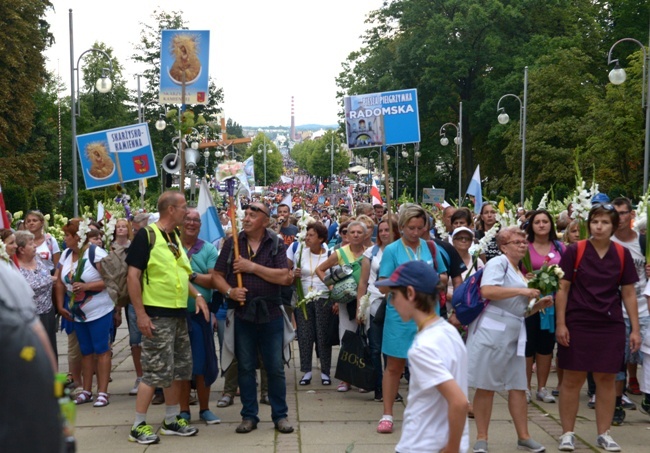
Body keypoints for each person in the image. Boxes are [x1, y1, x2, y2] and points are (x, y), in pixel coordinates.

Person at [126, 191, 209, 444]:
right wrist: (140, 314)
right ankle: (138, 425)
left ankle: (171, 420)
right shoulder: (147, 235)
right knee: (154, 372)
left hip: (177, 315)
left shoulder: (173, 237)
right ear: (171, 210)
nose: (188, 212)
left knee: (177, 370)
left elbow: (183, 274)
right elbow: (132, 277)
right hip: (157, 316)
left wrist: (198, 296)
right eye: (184, 207)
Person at [555, 204, 640, 452]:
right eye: (595, 222)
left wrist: (635, 329)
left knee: (607, 379)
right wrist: (561, 323)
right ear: (588, 224)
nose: (599, 226)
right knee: (573, 378)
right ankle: (567, 433)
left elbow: (628, 293)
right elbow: (563, 288)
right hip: (578, 322)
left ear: (613, 226)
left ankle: (604, 433)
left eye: (604, 222)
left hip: (610, 324)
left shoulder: (622, 254)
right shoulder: (575, 250)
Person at [212, 202, 294, 435]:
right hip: (242, 314)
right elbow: (217, 275)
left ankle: (280, 415)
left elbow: (285, 277)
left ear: (265, 221)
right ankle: (249, 415)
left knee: (275, 367)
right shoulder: (232, 243)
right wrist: (229, 291)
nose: (246, 218)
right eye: (245, 214)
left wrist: (251, 267)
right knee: (246, 367)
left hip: (271, 314)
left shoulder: (275, 243)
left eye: (252, 215)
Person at [468, 226, 551, 453]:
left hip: (514, 333)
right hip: (492, 332)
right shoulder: (498, 263)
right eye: (517, 242)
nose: (523, 245)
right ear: (503, 247)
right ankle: (482, 438)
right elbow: (488, 291)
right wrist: (523, 292)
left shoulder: (518, 270)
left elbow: (518, 311)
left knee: (518, 386)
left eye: (524, 241)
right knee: (486, 385)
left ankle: (524, 436)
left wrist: (538, 306)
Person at [375, 260, 469, 453]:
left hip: (422, 445)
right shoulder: (448, 331)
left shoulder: (422, 347)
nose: (391, 302)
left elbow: (459, 402)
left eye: (394, 295)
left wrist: (451, 449)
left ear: (410, 293)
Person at [375, 204, 448, 434]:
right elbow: (383, 285)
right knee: (395, 366)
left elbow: (444, 276)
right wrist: (405, 285)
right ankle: (387, 414)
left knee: (426, 365)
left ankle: (425, 413)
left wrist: (434, 281)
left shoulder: (431, 247)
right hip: (400, 316)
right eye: (411, 228)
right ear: (402, 226)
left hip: (427, 314)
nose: (416, 233)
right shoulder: (392, 250)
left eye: (420, 227)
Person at [55, 218, 113, 407]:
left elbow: (110, 280)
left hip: (99, 311)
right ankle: (87, 391)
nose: (64, 239)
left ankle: (102, 392)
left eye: (67, 235)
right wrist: (60, 305)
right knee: (85, 351)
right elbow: (59, 282)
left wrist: (88, 285)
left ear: (77, 237)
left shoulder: (95, 253)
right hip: (77, 313)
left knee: (102, 350)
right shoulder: (65, 254)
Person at [316, 220, 369, 393]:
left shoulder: (370, 252)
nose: (355, 235)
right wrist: (333, 288)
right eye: (351, 232)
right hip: (347, 302)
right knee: (346, 338)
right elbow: (320, 269)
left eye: (358, 232)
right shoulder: (340, 253)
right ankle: (346, 379)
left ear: (365, 234)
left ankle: (362, 378)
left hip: (367, 300)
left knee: (366, 338)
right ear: (345, 235)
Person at [178, 208, 220, 425]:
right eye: (188, 219)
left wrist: (191, 275)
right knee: (182, 366)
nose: (192, 223)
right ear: (180, 221)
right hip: (175, 315)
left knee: (203, 364)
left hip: (200, 316)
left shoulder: (209, 249)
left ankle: (204, 409)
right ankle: (184, 410)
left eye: (196, 220)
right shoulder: (171, 247)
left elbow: (213, 280)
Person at [610, 197, 648, 421]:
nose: (619, 218)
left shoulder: (643, 242)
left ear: (632, 215)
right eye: (615, 214)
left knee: (647, 357)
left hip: (644, 308)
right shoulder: (608, 241)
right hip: (615, 310)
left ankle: (648, 396)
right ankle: (616, 403)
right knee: (617, 360)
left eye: (623, 213)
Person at [522, 210, 565, 405]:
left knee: (546, 346)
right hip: (530, 304)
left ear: (551, 225)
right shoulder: (525, 246)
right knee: (527, 346)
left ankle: (542, 387)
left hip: (553, 303)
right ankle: (525, 387)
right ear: (531, 225)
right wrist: (526, 278)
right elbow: (514, 270)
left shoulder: (559, 247)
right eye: (537, 222)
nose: (541, 225)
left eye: (545, 221)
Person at [356, 217, 400, 402]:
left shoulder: (401, 251)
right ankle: (378, 387)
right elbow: (363, 282)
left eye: (387, 230)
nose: (383, 233)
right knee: (375, 347)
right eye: (380, 230)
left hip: (395, 304)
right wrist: (360, 307)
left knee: (391, 350)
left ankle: (392, 388)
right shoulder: (370, 253)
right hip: (374, 303)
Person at [287, 222, 333, 386]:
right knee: (305, 336)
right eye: (306, 235)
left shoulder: (329, 253)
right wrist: (295, 274)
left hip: (323, 298)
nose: (307, 238)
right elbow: (290, 276)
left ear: (321, 238)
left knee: (323, 337)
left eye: (311, 235)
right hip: (304, 298)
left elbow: (334, 277)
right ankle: (306, 371)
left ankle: (325, 371)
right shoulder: (300, 252)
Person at [15, 230, 57, 360]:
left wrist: (52, 279)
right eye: (31, 244)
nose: (35, 246)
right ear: (21, 249)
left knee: (50, 350)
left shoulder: (38, 260)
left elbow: (47, 277)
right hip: (29, 317)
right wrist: (51, 280)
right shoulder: (15, 268)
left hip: (48, 313)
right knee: (33, 354)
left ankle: (52, 378)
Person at [24, 210, 60, 274]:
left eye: (34, 220)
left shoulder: (50, 241)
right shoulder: (23, 242)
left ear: (42, 222)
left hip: (50, 278)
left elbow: (57, 265)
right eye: (28, 221)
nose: (31, 223)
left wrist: (55, 277)